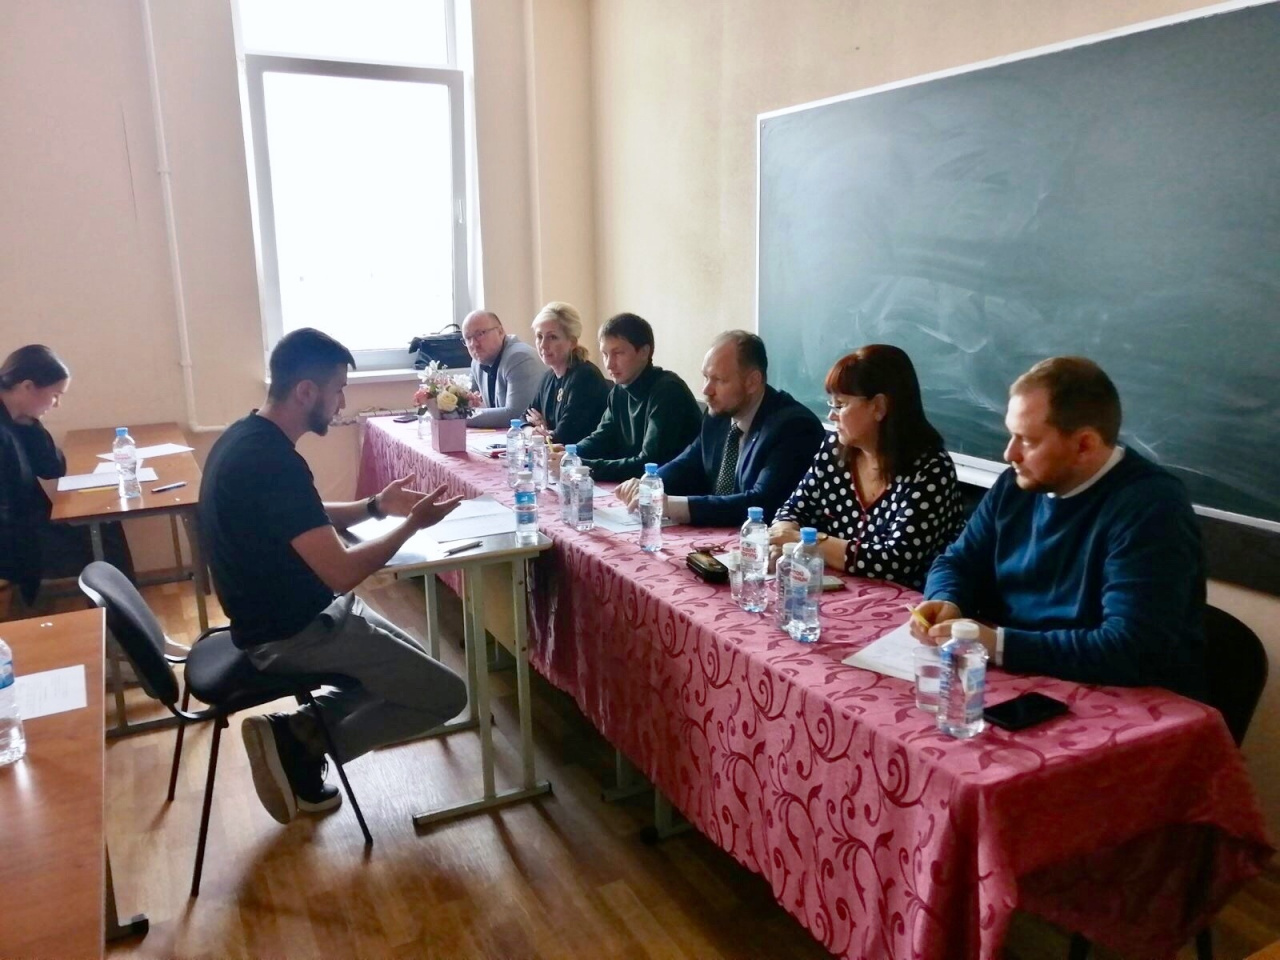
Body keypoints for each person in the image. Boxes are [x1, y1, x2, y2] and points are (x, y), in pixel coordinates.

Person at [200, 328, 468, 825]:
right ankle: (300, 742)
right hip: (294, 632)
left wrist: (375, 505)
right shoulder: (273, 463)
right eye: (338, 389)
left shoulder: (245, 437)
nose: (342, 402)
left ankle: (299, 731)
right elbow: (342, 572)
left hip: (282, 617)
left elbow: (303, 514)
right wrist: (412, 524)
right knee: (449, 695)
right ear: (306, 391)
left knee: (412, 669)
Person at [911, 357, 1206, 696]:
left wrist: (999, 644)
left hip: (1120, 697)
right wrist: (948, 600)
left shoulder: (1152, 508)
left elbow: (1132, 647)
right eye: (1011, 435)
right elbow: (956, 562)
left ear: (1084, 445)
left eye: (1028, 440)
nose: (1009, 453)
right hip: (1025, 678)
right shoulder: (1016, 485)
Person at [770, 345, 964, 591]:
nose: (831, 416)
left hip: (909, 604)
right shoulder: (834, 450)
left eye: (840, 405)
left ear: (879, 407)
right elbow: (793, 510)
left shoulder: (931, 469)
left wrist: (808, 541)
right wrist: (784, 534)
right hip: (839, 592)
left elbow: (896, 561)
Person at [615, 331, 824, 526]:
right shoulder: (719, 414)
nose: (706, 390)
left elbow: (761, 503)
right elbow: (689, 462)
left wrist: (672, 506)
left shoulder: (794, 427)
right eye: (706, 377)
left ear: (752, 382)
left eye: (719, 380)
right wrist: (651, 484)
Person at [0, 344, 133, 609]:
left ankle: (120, 616)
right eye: (55, 395)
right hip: (14, 536)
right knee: (102, 535)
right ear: (27, 387)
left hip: (27, 521)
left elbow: (52, 469)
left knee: (106, 524)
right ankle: (120, 619)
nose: (57, 404)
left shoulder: (18, 419)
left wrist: (32, 425)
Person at [558, 312, 701, 483]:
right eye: (605, 354)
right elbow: (602, 437)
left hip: (673, 490)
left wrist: (583, 466)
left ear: (644, 352)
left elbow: (649, 463)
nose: (609, 364)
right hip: (635, 486)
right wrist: (571, 454)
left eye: (618, 353)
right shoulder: (620, 390)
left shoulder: (668, 391)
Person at [524, 302, 610, 445]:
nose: (543, 345)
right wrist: (531, 431)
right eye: (539, 336)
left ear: (572, 342)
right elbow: (524, 418)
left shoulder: (585, 377)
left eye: (552, 337)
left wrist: (544, 430)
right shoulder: (548, 377)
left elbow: (564, 436)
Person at [462, 309, 547, 429]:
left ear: (500, 332)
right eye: (468, 338)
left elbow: (515, 415)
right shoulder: (477, 363)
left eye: (480, 334)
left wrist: (459, 416)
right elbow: (467, 403)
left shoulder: (520, 357)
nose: (473, 344)